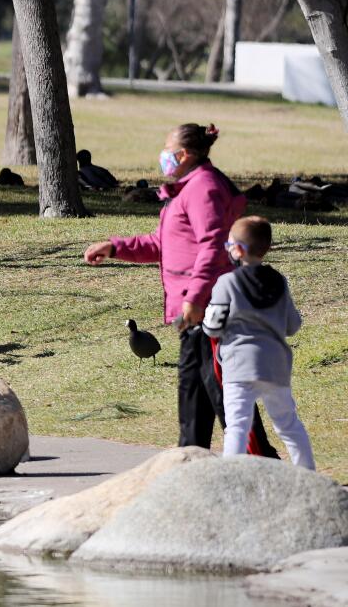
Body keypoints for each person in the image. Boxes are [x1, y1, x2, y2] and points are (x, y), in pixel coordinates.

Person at [83, 123, 278, 456]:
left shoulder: (204, 188)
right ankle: (190, 463)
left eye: (166, 148)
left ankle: (264, 466)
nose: (163, 154)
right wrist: (115, 247)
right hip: (192, 316)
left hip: (209, 312)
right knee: (193, 400)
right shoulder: (187, 189)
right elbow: (163, 244)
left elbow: (213, 246)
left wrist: (195, 298)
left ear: (185, 154)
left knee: (226, 396)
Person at [202, 216, 315, 469]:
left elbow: (212, 327)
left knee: (237, 427)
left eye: (229, 244)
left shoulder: (227, 283)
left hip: (238, 366)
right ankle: (308, 474)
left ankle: (232, 477)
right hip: (276, 366)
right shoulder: (279, 282)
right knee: (288, 425)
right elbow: (293, 325)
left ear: (239, 249)